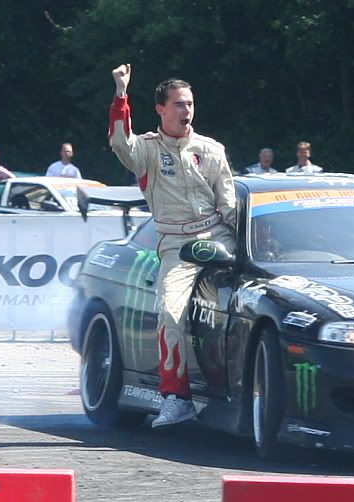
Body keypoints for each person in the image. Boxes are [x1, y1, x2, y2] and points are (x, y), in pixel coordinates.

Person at [108, 63, 236, 428]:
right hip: (176, 245)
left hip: (217, 236)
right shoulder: (146, 150)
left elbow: (229, 205)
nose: (186, 110)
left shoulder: (211, 149)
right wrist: (121, 93)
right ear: (161, 109)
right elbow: (119, 141)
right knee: (168, 312)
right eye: (178, 104)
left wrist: (246, 247)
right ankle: (177, 399)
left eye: (190, 104)